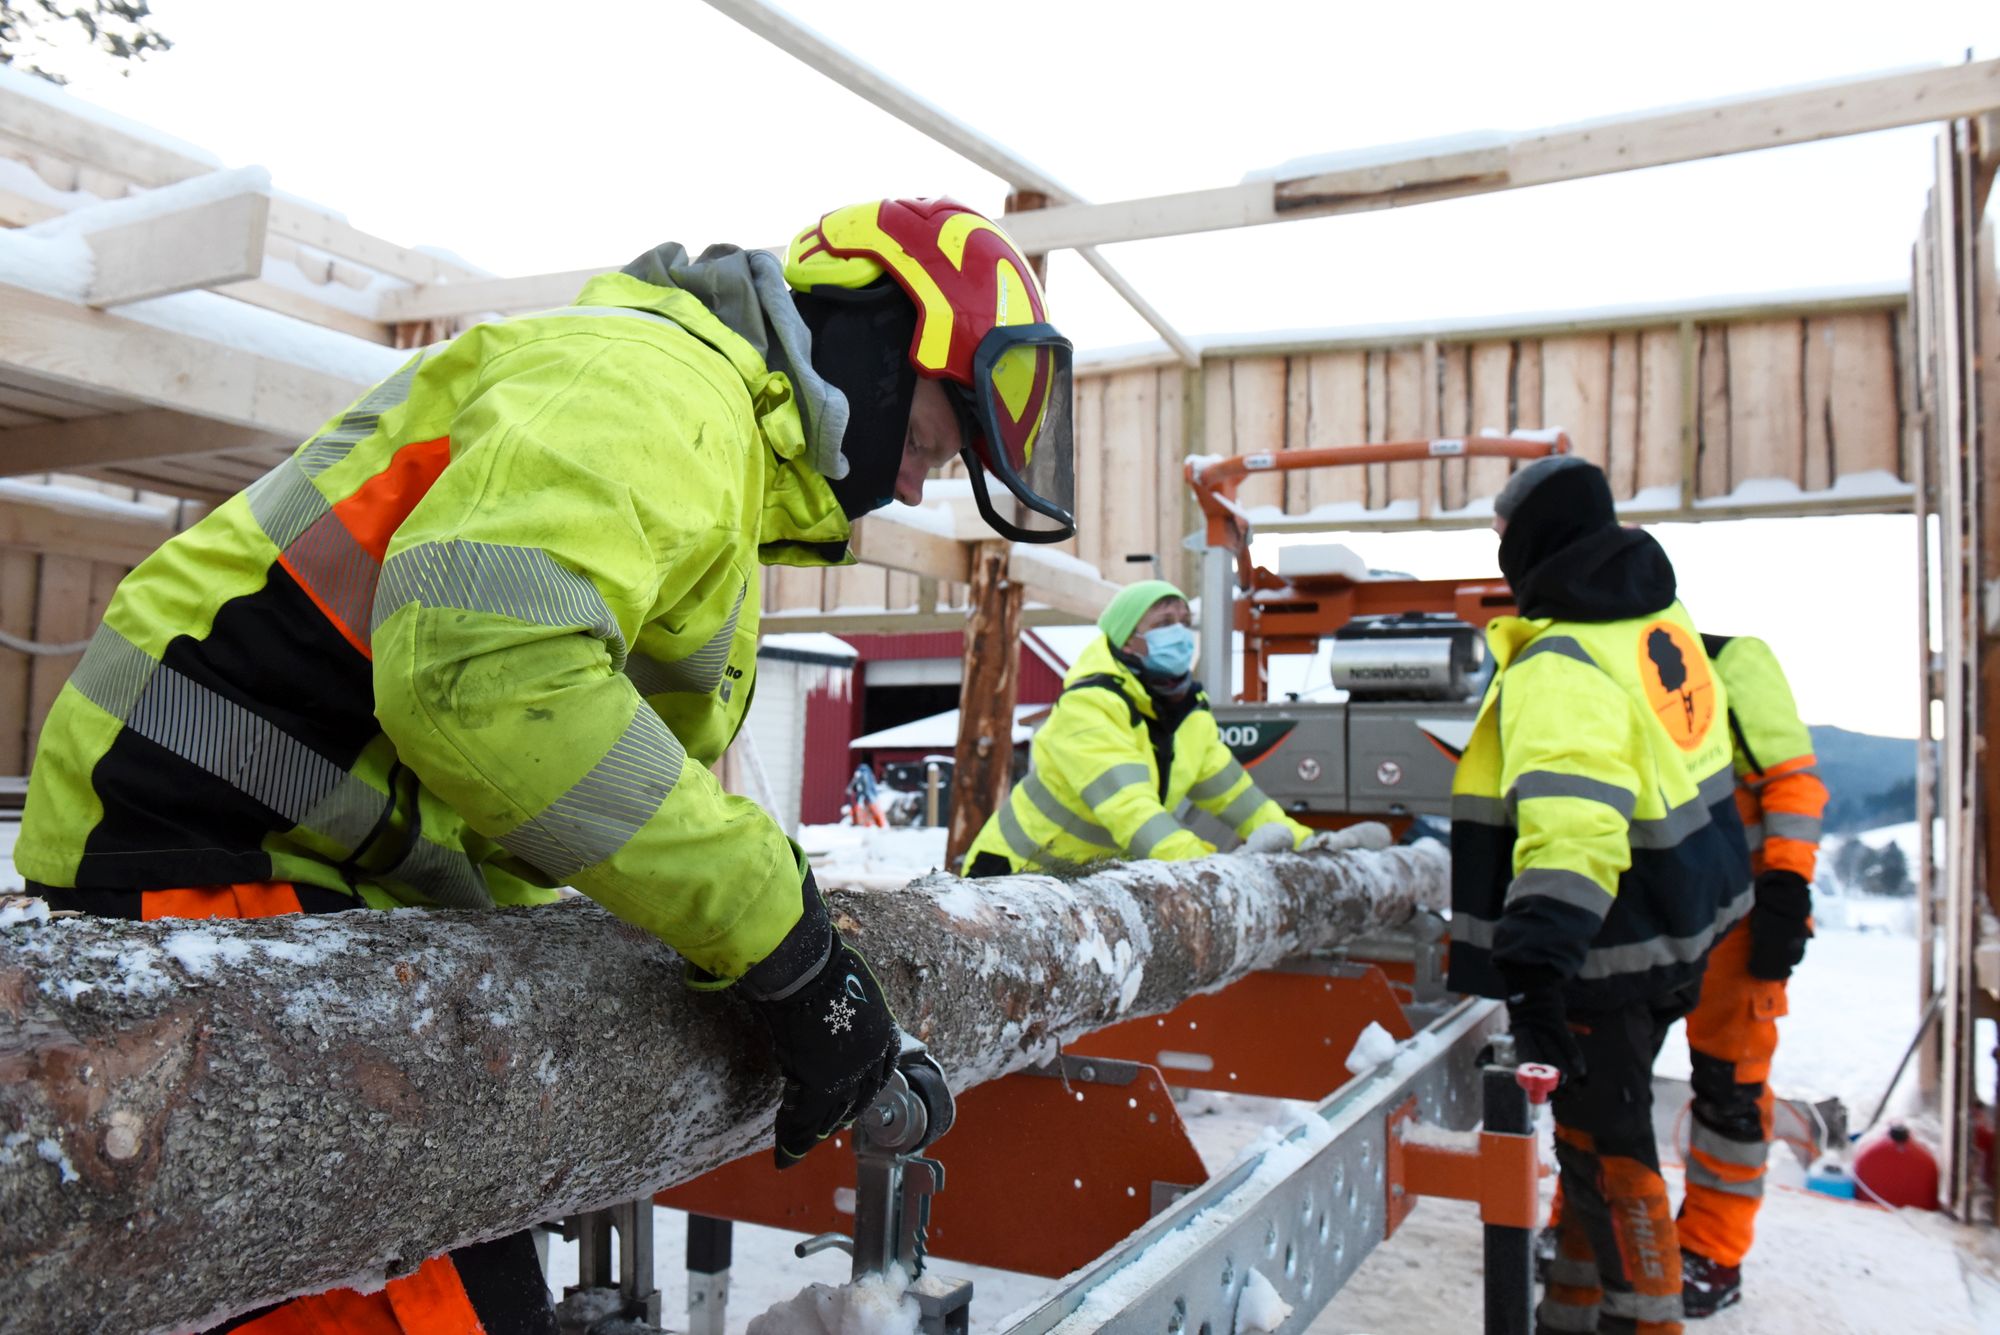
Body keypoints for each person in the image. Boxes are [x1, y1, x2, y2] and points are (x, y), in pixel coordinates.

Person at [16, 198, 1074, 1333]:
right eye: (923, 443)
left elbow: (555, 780)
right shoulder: (654, 389)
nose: (913, 488)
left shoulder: (697, 438)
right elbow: (486, 674)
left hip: (317, 861)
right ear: (870, 344)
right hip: (210, 831)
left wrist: (759, 948)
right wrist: (784, 948)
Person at [1448, 456, 1750, 1335]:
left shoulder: (1563, 657)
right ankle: (1573, 1313)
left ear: (1539, 534)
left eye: (1505, 536)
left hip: (1600, 953)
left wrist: (1536, 972)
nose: (1501, 553)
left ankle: (1643, 1319)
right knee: (1587, 1145)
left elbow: (1575, 825)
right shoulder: (1656, 614)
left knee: (1615, 1157)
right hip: (1679, 928)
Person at [960, 580, 1325, 876]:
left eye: (1184, 621)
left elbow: (1241, 800)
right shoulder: (1089, 707)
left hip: (1085, 882)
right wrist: (1208, 871)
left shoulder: (1187, 714)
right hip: (1015, 874)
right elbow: (1130, 809)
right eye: (1164, 624)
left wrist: (1303, 846)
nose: (1180, 633)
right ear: (1127, 641)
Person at [1675, 634, 1825, 1316]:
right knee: (1598, 1080)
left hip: (1741, 922)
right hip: (1647, 913)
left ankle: (1710, 1252)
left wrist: (1788, 887)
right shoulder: (1598, 665)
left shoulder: (1733, 659)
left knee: (1729, 1093)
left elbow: (1792, 780)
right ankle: (1595, 1229)